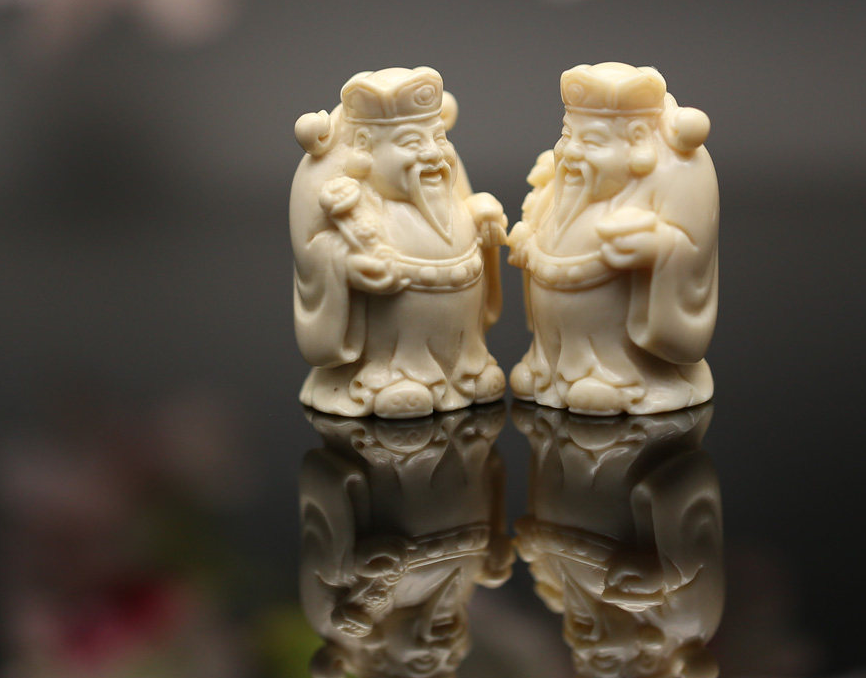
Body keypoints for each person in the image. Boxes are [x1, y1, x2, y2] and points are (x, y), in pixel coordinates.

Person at [290, 67, 506, 418]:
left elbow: (473, 223)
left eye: (439, 139)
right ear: (365, 149)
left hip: (458, 335)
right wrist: (347, 265)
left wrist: (481, 217)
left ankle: (466, 368)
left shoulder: (448, 199)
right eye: (410, 143)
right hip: (391, 347)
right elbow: (317, 251)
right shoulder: (358, 205)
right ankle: (390, 375)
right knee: (397, 365)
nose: (433, 154)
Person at [508, 62, 718, 415]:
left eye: (592, 142)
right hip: (555, 339)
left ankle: (617, 374)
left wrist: (659, 248)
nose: (572, 152)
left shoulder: (675, 172)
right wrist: (528, 237)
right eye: (567, 135)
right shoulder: (567, 184)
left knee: (600, 378)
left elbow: (692, 249)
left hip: (617, 346)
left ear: (636, 143)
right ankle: (551, 367)